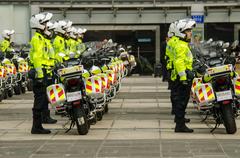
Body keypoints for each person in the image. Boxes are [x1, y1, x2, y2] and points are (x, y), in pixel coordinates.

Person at [170, 18, 196, 133]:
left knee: (180, 100)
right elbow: (179, 62)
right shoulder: (181, 45)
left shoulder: (181, 43)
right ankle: (180, 126)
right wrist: (184, 78)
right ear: (181, 32)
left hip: (180, 76)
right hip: (182, 77)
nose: (191, 33)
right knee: (182, 101)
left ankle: (179, 123)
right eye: (188, 31)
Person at [29, 12, 53, 134]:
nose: (47, 25)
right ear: (40, 25)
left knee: (42, 98)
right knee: (39, 100)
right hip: (40, 73)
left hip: (43, 72)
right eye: (45, 23)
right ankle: (36, 127)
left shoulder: (41, 38)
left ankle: (38, 125)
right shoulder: (37, 39)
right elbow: (37, 58)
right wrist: (40, 74)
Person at [41, 21, 58, 124]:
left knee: (46, 96)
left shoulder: (47, 41)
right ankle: (44, 118)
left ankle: (46, 116)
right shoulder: (40, 40)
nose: (51, 32)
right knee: (43, 97)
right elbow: (39, 57)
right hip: (44, 72)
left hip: (49, 71)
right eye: (50, 29)